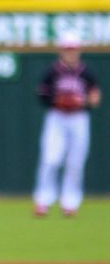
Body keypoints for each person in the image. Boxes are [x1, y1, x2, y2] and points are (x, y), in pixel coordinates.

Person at [32, 31, 101, 217]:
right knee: (50, 159)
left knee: (75, 162)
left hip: (79, 118)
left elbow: (95, 97)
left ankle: (70, 203)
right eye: (67, 49)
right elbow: (41, 94)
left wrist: (81, 101)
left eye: (73, 49)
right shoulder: (52, 72)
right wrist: (58, 100)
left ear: (79, 50)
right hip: (56, 117)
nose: (70, 52)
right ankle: (43, 201)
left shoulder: (86, 72)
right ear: (61, 51)